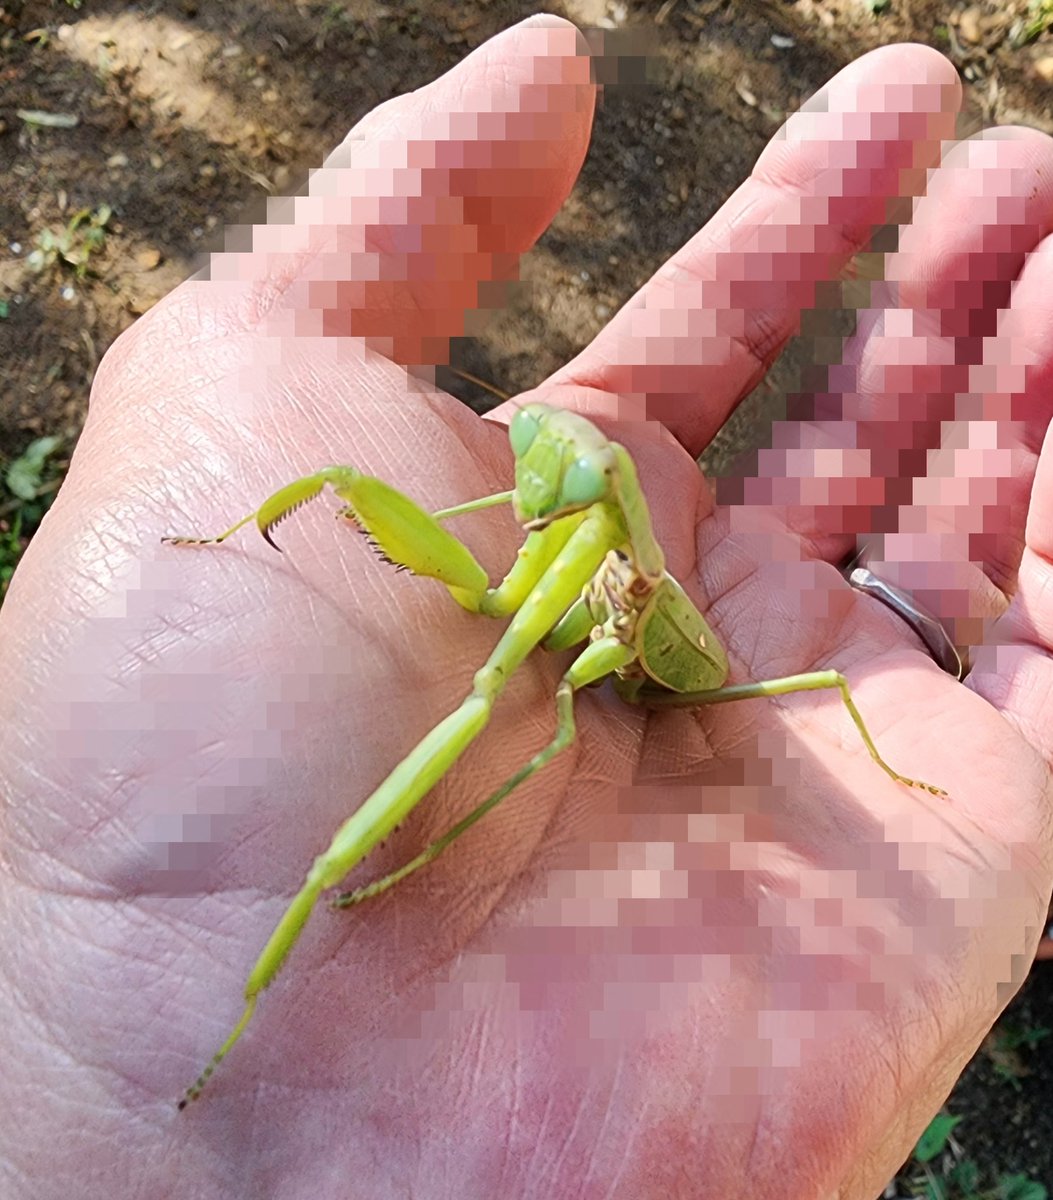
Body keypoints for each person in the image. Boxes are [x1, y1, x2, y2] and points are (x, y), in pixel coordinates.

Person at [2, 14, 1051, 1199]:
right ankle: (228, 558)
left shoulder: (635, 582)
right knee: (361, 495)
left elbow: (550, 721)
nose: (535, 483)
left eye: (562, 475)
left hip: (686, 672)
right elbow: (505, 531)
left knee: (539, 716)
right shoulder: (574, 523)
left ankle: (288, 955)